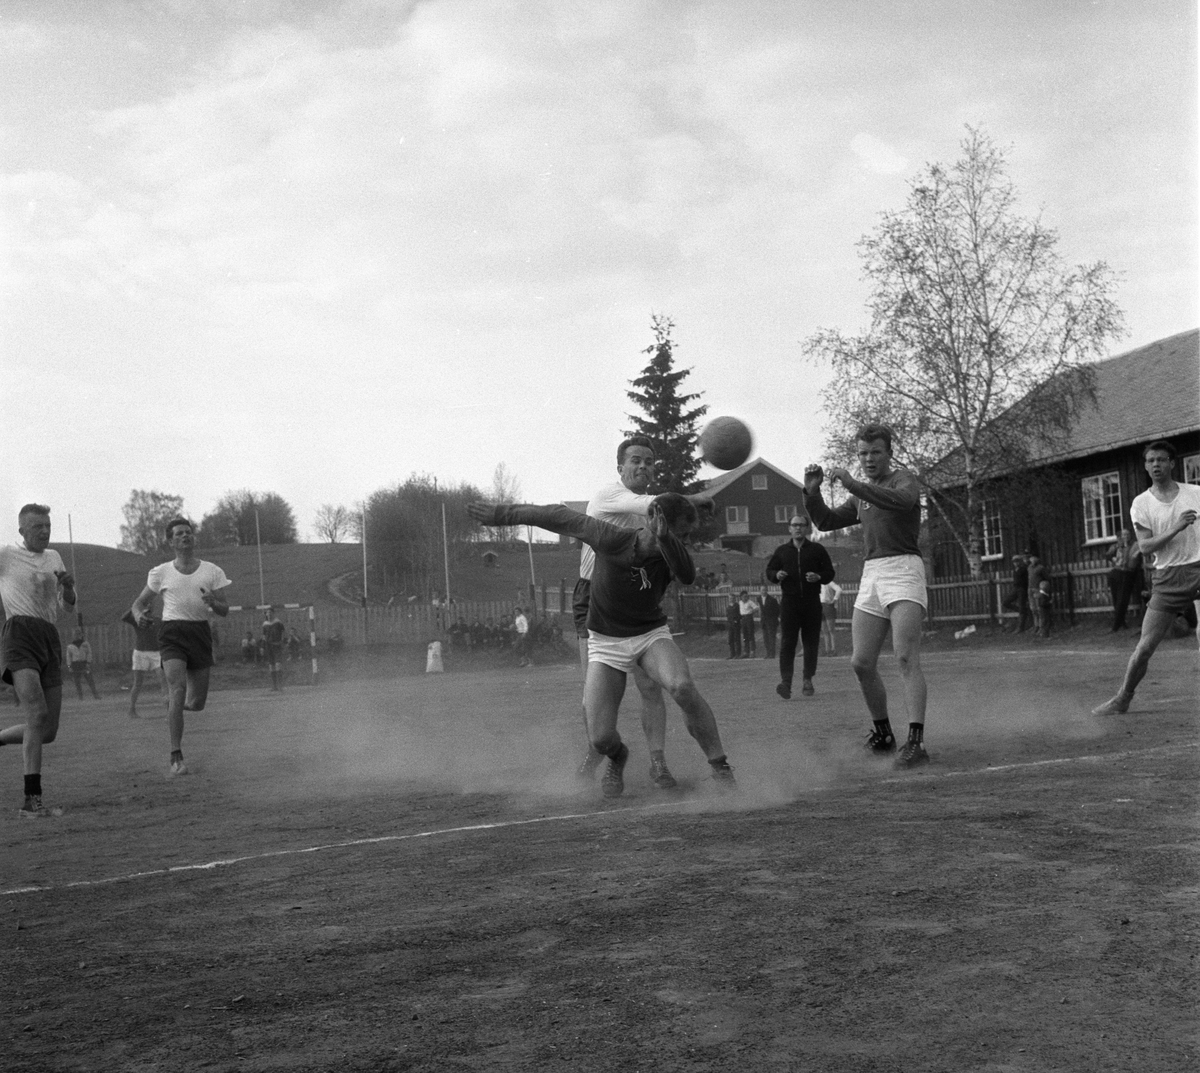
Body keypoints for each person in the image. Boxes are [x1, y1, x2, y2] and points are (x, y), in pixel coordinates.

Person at [468, 496, 735, 798]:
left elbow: (686, 575)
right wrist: (503, 514)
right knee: (600, 739)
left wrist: (667, 539)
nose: (685, 542)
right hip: (606, 642)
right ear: (655, 523)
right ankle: (618, 756)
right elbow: (557, 516)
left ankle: (720, 767)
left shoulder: (672, 551)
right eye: (682, 535)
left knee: (682, 687)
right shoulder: (611, 538)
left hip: (649, 634)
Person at [571, 436, 713, 792]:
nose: (643, 466)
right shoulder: (609, 495)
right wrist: (695, 498)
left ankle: (657, 761)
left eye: (649, 462)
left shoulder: (652, 511)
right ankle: (605, 753)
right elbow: (653, 504)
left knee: (650, 684)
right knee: (594, 696)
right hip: (594, 596)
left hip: (636, 594)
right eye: (636, 460)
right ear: (620, 467)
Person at [804, 426, 931, 767]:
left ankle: (916, 742)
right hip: (873, 572)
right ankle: (883, 735)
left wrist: (851, 483)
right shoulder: (861, 494)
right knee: (861, 663)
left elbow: (902, 501)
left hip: (903, 569)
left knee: (905, 657)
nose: (868, 459)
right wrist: (812, 493)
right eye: (862, 453)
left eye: (875, 451)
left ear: (889, 453)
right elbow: (826, 520)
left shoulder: (903, 479)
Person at [1092, 441, 1200, 716]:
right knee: (1144, 648)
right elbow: (1145, 546)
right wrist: (1177, 526)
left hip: (1199, 567)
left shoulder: (1195, 493)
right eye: (1151, 461)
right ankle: (1123, 698)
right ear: (1145, 466)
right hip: (1167, 577)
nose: (1156, 465)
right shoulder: (1141, 503)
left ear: (1172, 463)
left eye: (1161, 460)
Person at [130, 517, 230, 777]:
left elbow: (225, 609)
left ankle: (173, 708)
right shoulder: (160, 572)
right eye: (179, 533)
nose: (185, 536)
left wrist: (213, 602)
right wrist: (139, 615)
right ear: (170, 541)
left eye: (188, 532)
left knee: (196, 703)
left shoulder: (212, 571)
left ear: (193, 538)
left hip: (199, 633)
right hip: (172, 633)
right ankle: (176, 757)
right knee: (178, 688)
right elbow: (138, 604)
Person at [0, 504, 76, 818]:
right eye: (37, 527)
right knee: (37, 712)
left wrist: (68, 588)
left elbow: (68, 607)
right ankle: (32, 799)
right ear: (21, 530)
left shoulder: (55, 557)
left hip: (49, 637)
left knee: (48, 730)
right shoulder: (6, 555)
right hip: (19, 634)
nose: (44, 531)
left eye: (47, 525)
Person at [765, 515, 836, 698]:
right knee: (787, 642)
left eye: (802, 525)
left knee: (811, 642)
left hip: (812, 602)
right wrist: (776, 575)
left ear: (807, 529)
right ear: (789, 528)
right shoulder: (782, 551)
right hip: (789, 603)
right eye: (794, 525)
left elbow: (829, 572)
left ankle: (807, 679)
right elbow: (769, 571)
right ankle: (786, 682)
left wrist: (819, 577)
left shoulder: (817, 550)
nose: (798, 528)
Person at [122, 607, 166, 718]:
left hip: (156, 653)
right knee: (137, 682)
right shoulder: (138, 620)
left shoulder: (158, 621)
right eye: (146, 612)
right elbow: (124, 617)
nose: (148, 614)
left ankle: (169, 710)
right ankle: (131, 710)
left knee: (163, 681)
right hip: (140, 653)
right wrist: (135, 606)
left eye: (149, 612)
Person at [1106, 528, 1143, 631]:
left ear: (1130, 536)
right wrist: (1113, 558)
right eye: (1123, 535)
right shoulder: (1116, 546)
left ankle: (1116, 626)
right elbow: (1108, 555)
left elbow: (1138, 558)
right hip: (1116, 573)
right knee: (1116, 599)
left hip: (1127, 574)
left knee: (1122, 600)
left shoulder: (1134, 545)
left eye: (1127, 534)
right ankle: (1121, 622)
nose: (1125, 536)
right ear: (1121, 536)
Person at [66, 628, 102, 700]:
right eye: (76, 634)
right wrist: (69, 666)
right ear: (73, 635)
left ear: (81, 635)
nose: (77, 636)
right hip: (75, 664)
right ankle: (80, 697)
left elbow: (89, 653)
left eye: (79, 634)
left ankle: (96, 695)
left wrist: (88, 662)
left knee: (90, 680)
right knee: (77, 681)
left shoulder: (85, 644)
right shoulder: (70, 646)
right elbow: (68, 657)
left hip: (84, 663)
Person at [1002, 555, 1031, 633]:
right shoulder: (1015, 569)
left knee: (1022, 606)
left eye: (1017, 561)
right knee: (1005, 602)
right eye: (1014, 562)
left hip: (1022, 589)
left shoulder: (1024, 569)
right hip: (1015, 588)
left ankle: (1020, 627)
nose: (1016, 563)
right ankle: (1024, 611)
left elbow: (1026, 581)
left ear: (1020, 561)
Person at [261, 607, 286, 691]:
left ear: (273, 613)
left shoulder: (278, 622)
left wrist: (281, 641)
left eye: (270, 612)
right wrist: (262, 646)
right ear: (266, 614)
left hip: (277, 645)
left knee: (278, 664)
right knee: (271, 666)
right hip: (269, 646)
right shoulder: (265, 624)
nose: (269, 614)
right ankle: (274, 686)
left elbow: (283, 632)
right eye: (267, 613)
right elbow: (264, 636)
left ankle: (280, 685)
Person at [1027, 555, 1049, 639]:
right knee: (1033, 609)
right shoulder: (1029, 568)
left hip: (1037, 589)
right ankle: (1035, 626)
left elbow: (1046, 578)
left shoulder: (1041, 568)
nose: (1032, 560)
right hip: (1030, 589)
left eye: (1034, 558)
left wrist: (1042, 587)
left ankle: (1041, 627)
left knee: (1039, 609)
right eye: (1031, 558)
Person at [820, 579, 843, 655]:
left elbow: (839, 589)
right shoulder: (817, 583)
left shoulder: (829, 582)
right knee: (824, 630)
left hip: (828, 606)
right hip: (820, 606)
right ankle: (827, 649)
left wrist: (834, 599)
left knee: (831, 629)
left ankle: (833, 649)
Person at [759, 585, 780, 660]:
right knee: (765, 638)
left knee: (771, 638)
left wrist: (773, 618)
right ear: (760, 591)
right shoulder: (759, 599)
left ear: (767, 590)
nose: (763, 591)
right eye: (762, 590)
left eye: (765, 590)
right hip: (764, 621)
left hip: (771, 621)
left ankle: (772, 654)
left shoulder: (772, 599)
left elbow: (777, 610)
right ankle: (768, 653)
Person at [737, 591, 757, 658]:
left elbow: (756, 608)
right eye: (744, 596)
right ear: (741, 597)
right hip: (743, 619)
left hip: (749, 618)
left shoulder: (750, 602)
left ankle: (752, 651)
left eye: (746, 596)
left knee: (750, 634)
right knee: (745, 636)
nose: (745, 598)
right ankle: (746, 651)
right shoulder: (740, 603)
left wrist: (751, 612)